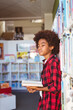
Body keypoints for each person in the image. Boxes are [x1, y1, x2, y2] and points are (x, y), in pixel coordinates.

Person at [26, 30, 61, 110]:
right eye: (38, 46)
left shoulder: (53, 62)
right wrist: (34, 87)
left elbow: (56, 87)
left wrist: (37, 88)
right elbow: (47, 83)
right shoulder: (47, 62)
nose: (39, 48)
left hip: (52, 103)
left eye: (43, 45)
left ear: (51, 46)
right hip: (45, 100)